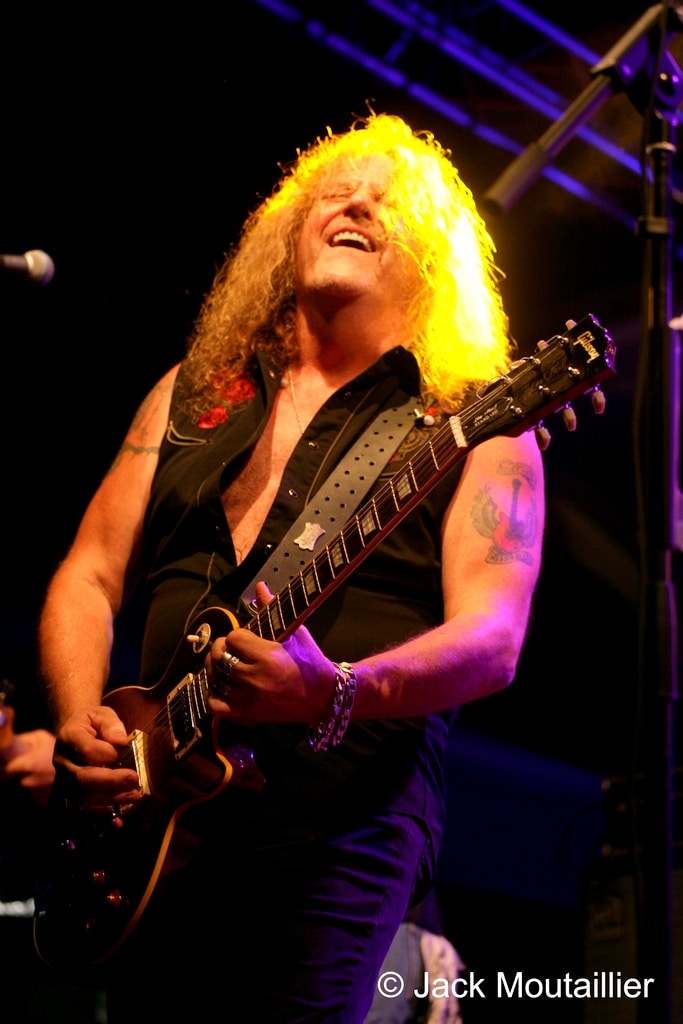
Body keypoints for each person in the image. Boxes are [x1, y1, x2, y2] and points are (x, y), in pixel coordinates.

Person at [36, 112, 544, 1023]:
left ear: (433, 260)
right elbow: (89, 574)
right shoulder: (192, 390)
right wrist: (80, 722)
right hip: (151, 814)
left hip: (341, 822)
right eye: (334, 193)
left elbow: (494, 638)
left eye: (389, 202)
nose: (355, 205)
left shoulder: (478, 423)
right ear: (289, 231)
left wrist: (333, 690)